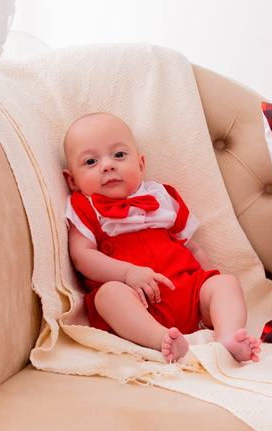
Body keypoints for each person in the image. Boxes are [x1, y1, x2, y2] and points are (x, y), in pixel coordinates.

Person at [62, 112, 261, 364]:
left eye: (119, 155)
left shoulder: (162, 196)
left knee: (226, 283)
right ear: (72, 181)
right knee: (108, 295)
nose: (108, 165)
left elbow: (192, 247)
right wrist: (127, 274)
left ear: (141, 165)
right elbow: (82, 256)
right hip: (138, 301)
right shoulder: (84, 207)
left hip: (187, 292)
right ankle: (161, 338)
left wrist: (207, 287)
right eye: (91, 161)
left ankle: (228, 335)